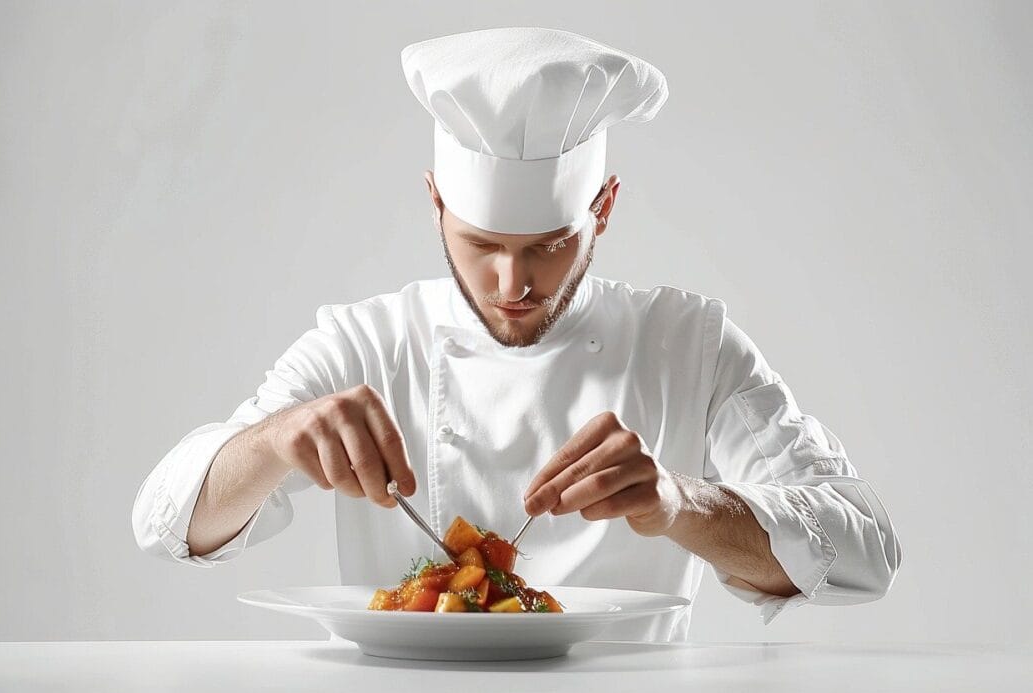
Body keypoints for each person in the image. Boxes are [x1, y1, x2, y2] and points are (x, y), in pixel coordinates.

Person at [132, 27, 901, 641]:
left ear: (602, 209)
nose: (513, 284)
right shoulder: (365, 343)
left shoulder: (687, 342)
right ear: (436, 204)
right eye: (482, 244)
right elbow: (164, 524)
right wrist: (272, 442)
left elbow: (868, 549)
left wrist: (679, 503)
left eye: (548, 245)